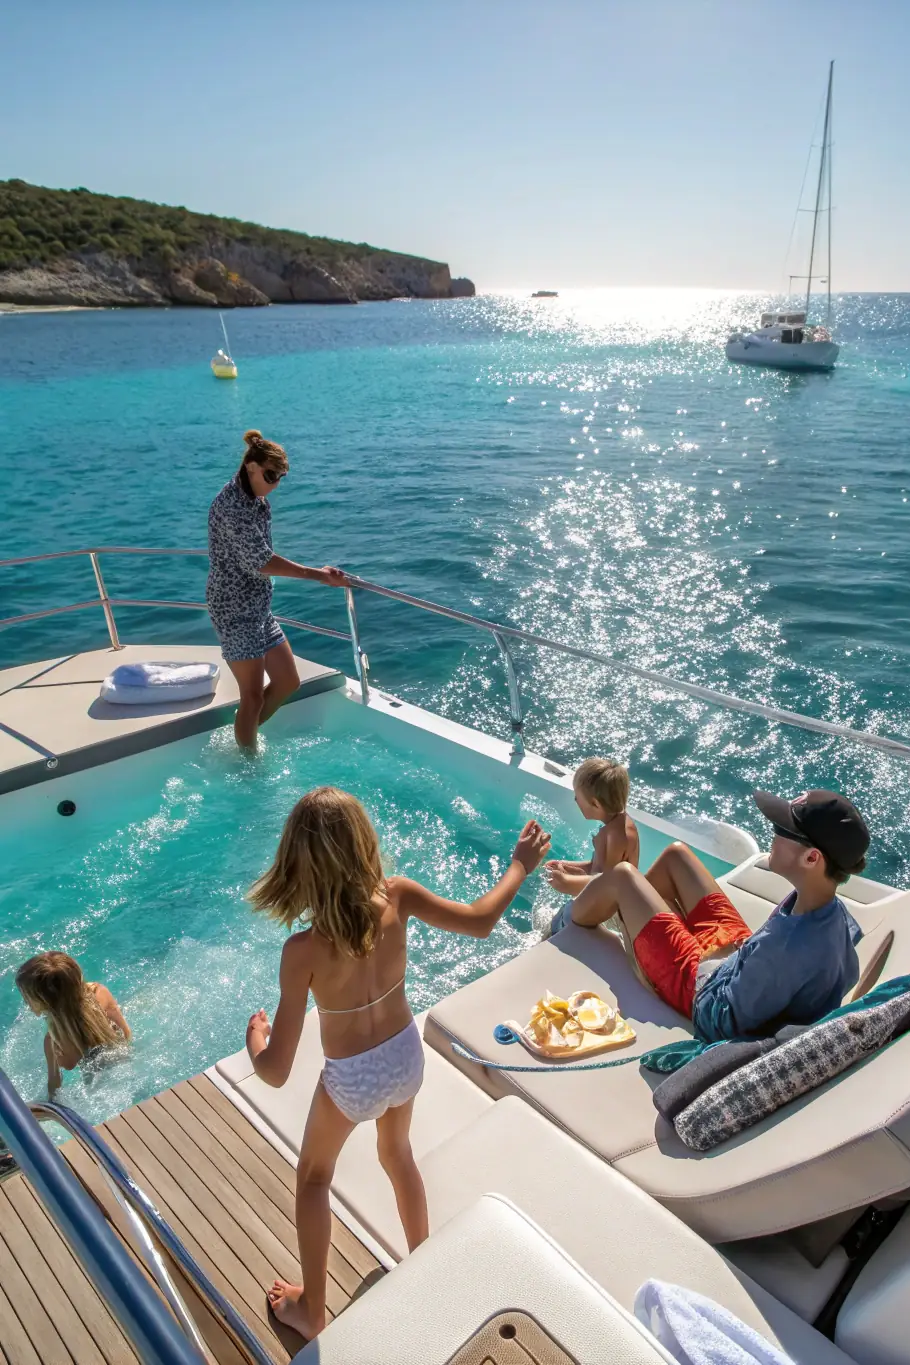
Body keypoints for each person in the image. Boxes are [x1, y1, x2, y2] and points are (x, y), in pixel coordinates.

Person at [244, 787, 551, 1340]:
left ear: (297, 865)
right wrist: (519, 866)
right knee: (398, 1153)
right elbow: (481, 921)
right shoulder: (398, 898)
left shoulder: (303, 952)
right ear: (365, 845)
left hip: (352, 1078)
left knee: (314, 1178)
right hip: (406, 1056)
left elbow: (276, 1070)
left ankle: (312, 1310)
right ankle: (425, 1266)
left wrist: (256, 1041)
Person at [568, 789, 868, 1041]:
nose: (772, 834)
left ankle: (566, 925)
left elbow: (724, 1023)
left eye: (781, 830)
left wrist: (714, 965)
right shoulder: (830, 913)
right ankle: (628, 915)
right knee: (676, 855)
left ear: (811, 857)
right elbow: (837, 974)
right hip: (738, 962)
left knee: (623, 875)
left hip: (704, 995)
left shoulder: (787, 948)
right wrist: (744, 959)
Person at [207, 429, 349, 750]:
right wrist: (319, 575)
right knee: (253, 696)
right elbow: (261, 561)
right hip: (233, 609)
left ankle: (242, 737)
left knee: (288, 682)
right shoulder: (232, 506)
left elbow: (262, 559)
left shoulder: (258, 503)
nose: (275, 484)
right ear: (251, 466)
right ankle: (247, 757)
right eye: (271, 475)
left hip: (258, 607)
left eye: (281, 477)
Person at [16, 952, 131, 1095]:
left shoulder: (54, 1040)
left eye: (27, 997)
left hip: (99, 1090)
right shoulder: (100, 992)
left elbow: (58, 1080)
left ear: (42, 1002)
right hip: (126, 1064)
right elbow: (126, 1033)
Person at [545, 757, 640, 897]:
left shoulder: (615, 836)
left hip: (610, 913)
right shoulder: (617, 826)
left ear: (595, 804)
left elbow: (607, 887)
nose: (575, 800)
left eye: (577, 797)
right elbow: (597, 868)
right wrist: (564, 865)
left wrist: (567, 882)